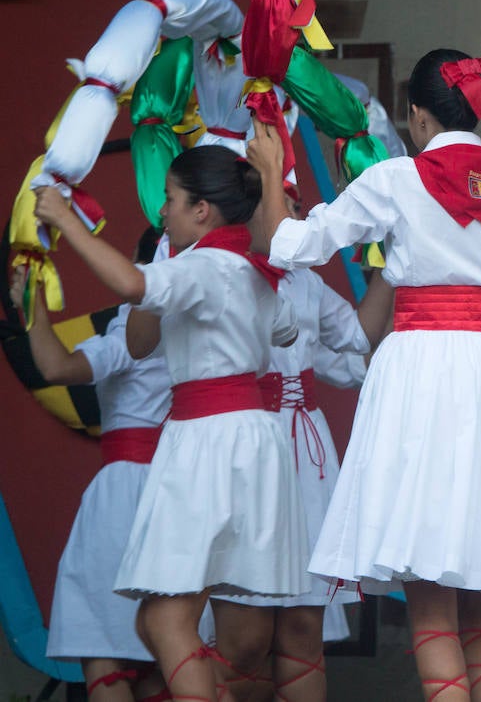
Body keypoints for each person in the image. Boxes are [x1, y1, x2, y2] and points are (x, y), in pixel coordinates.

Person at [246, 48, 481, 702]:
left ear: (416, 115)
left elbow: (291, 247)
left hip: (420, 371)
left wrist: (271, 171)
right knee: (475, 603)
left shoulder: (394, 180)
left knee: (430, 603)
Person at [33, 146, 308, 702]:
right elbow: (140, 340)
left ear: (202, 210)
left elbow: (134, 288)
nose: (163, 211)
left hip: (208, 439)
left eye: (171, 200)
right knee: (186, 622)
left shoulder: (203, 268)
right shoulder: (250, 272)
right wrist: (164, 265)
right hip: (252, 441)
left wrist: (64, 219)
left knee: (162, 621)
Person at [211, 189, 391, 702]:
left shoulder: (306, 282)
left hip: (305, 459)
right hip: (246, 448)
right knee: (244, 639)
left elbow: (360, 334)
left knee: (302, 627)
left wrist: (389, 262)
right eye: (287, 208)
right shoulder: (221, 274)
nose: (299, 218)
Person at [16, 228, 170, 702]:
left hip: (125, 497)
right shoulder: (206, 318)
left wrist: (30, 303)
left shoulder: (131, 328)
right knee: (172, 653)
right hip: (181, 492)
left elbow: (58, 368)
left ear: (132, 265)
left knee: (105, 651)